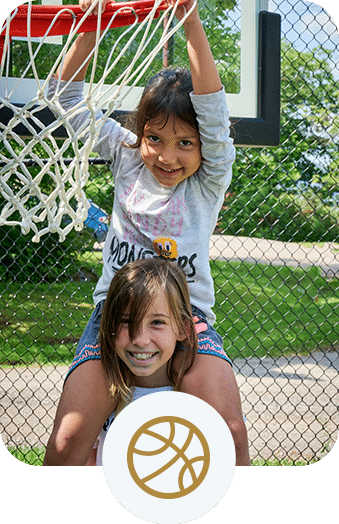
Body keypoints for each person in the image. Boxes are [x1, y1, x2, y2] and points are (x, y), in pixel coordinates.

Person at [43, 0, 251, 466]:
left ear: (204, 147)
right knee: (66, 445)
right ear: (140, 133)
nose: (167, 156)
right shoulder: (126, 157)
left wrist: (191, 19)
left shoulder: (209, 180)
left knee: (230, 439)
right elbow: (62, 98)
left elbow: (214, 113)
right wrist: (93, 24)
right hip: (114, 313)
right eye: (156, 138)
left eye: (185, 143)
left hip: (185, 317)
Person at [85, 257, 197, 466]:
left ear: (183, 329)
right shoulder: (101, 398)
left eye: (157, 322)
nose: (140, 339)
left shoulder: (196, 405)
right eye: (126, 322)